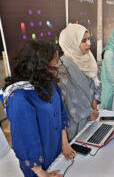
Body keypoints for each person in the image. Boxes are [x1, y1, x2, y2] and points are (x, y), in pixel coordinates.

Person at [0, 40, 75, 177]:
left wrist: (65, 143)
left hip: (57, 150)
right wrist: (41, 173)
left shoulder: (49, 83)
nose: (58, 65)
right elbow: (25, 140)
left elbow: (61, 114)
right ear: (41, 66)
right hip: (38, 166)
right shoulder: (19, 97)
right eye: (55, 62)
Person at [58, 24, 100, 141]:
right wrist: (89, 114)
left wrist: (94, 106)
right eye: (83, 40)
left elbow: (96, 82)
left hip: (92, 113)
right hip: (77, 121)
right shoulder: (63, 68)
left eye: (88, 39)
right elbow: (70, 97)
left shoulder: (88, 58)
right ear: (71, 43)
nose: (89, 43)